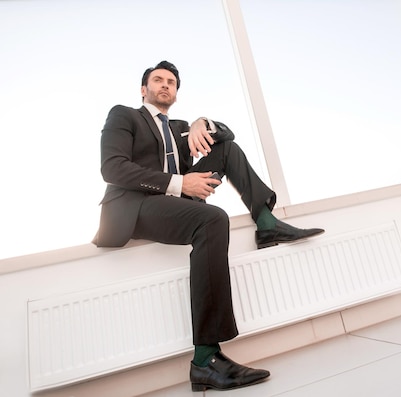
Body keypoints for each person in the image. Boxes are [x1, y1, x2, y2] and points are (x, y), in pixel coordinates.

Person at [93, 60, 324, 391]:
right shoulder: (124, 116)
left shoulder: (180, 128)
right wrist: (178, 183)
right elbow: (113, 169)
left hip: (177, 201)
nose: (164, 85)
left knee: (227, 149)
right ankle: (205, 359)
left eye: (171, 82)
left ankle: (266, 221)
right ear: (144, 89)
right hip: (136, 204)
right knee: (213, 218)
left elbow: (227, 135)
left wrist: (203, 122)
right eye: (157, 80)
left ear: (175, 92)